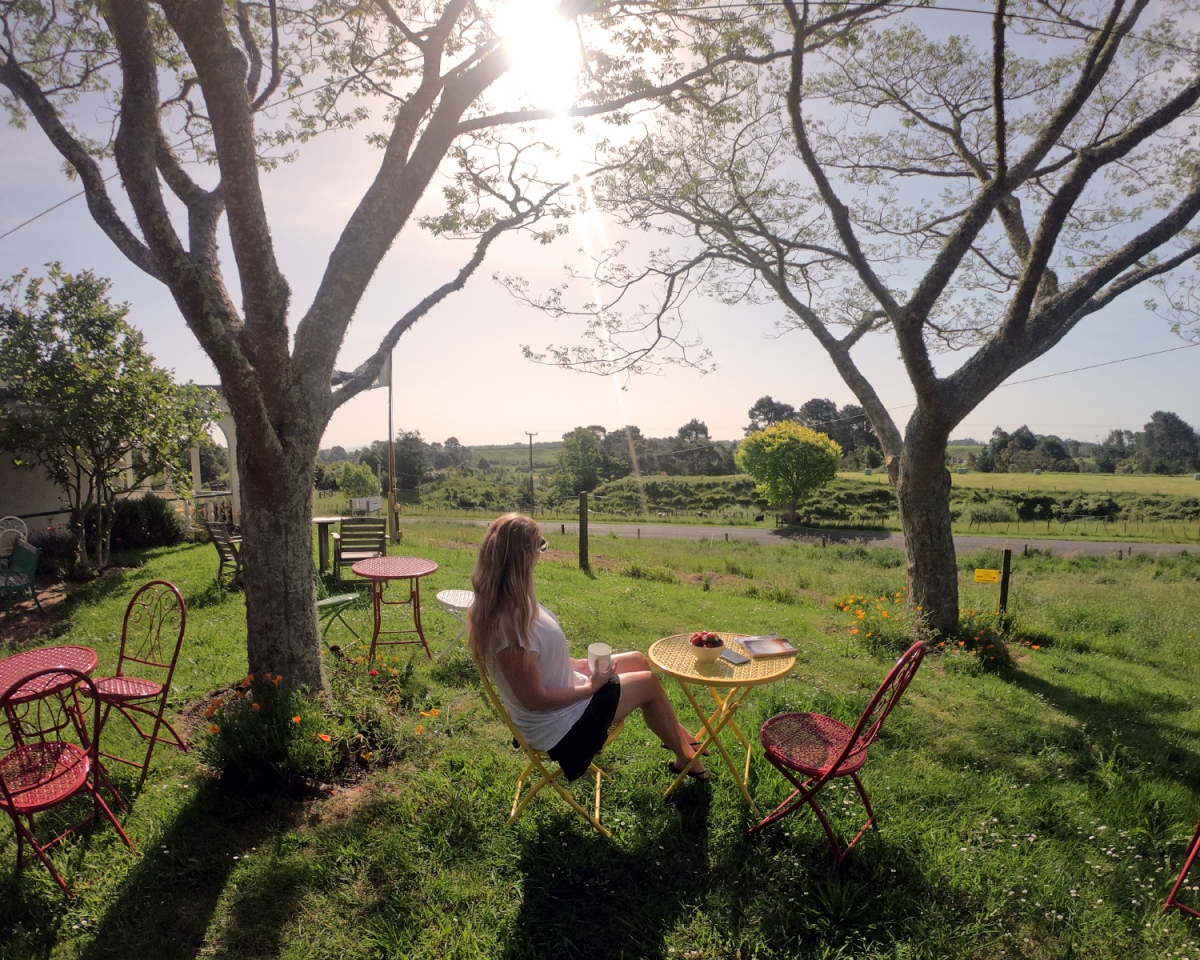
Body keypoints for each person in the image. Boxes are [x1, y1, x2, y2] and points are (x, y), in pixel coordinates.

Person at [468, 513, 708, 783]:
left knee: (637, 660)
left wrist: (580, 665)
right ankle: (687, 757)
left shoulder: (514, 601)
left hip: (564, 700)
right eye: (540, 546)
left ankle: (679, 737)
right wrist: (592, 686)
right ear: (524, 556)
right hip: (559, 728)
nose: (541, 553)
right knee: (648, 684)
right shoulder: (509, 623)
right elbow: (534, 700)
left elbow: (541, 660)